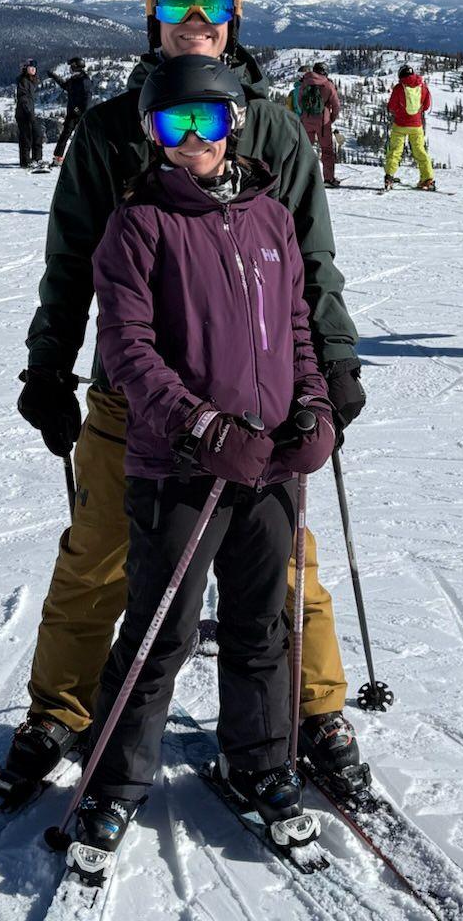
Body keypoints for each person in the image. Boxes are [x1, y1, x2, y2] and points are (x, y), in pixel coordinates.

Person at [0, 0, 368, 810]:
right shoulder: (109, 129)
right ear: (152, 15)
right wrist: (49, 364)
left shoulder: (271, 124)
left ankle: (310, 711)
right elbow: (71, 264)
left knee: (282, 564)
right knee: (97, 555)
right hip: (139, 399)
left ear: (236, 15)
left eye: (212, 2)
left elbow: (310, 261)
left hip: (258, 405)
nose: (195, 20)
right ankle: (61, 710)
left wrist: (333, 362)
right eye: (176, 3)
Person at [63, 54, 339, 866]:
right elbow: (128, 349)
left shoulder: (270, 217)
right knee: (160, 631)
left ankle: (257, 763)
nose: (192, 140)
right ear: (151, 134)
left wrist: (313, 403)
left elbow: (295, 330)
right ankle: (114, 781)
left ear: (234, 126)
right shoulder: (139, 223)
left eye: (207, 122)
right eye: (172, 124)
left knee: (263, 627)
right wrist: (202, 426)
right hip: (180, 466)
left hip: (269, 462)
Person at [384, 64, 435, 191]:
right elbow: (427, 106)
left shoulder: (399, 88)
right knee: (420, 151)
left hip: (400, 125)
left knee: (395, 151)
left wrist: (399, 112)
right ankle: (427, 178)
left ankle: (389, 177)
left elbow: (391, 106)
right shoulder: (423, 87)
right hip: (416, 125)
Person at [294, 62, 342, 187]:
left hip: (306, 120)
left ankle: (303, 178)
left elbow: (299, 101)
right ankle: (328, 179)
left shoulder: (305, 82)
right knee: (326, 150)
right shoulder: (328, 84)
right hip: (322, 122)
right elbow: (336, 105)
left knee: (305, 149)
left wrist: (305, 114)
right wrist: (331, 118)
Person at [49, 58, 91, 167]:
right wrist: (54, 77)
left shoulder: (84, 80)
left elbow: (87, 98)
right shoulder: (74, 79)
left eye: (71, 66)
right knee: (64, 136)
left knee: (83, 138)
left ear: (76, 66)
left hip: (80, 115)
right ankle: (58, 159)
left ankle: (86, 161)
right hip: (72, 113)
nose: (70, 69)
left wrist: (80, 110)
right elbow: (65, 86)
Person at [15, 60, 45, 169]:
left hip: (29, 111)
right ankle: (26, 161)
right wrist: (28, 111)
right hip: (24, 113)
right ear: (25, 68)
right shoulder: (24, 80)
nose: (33, 69)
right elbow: (23, 97)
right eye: (30, 67)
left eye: (35, 67)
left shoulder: (30, 80)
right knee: (26, 137)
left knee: (37, 134)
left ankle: (37, 159)